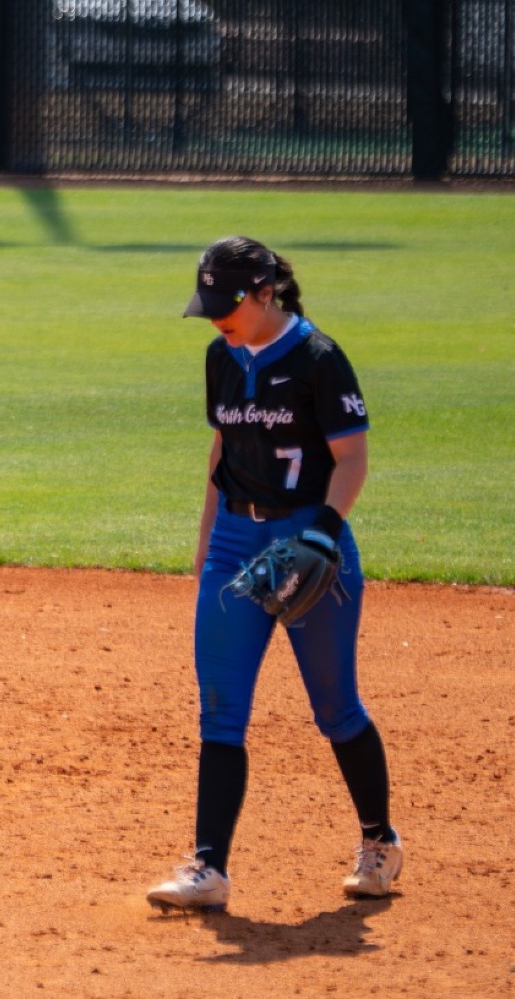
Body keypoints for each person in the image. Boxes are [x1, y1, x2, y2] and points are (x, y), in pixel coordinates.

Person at [147, 236, 403, 912]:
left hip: (308, 542)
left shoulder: (319, 359)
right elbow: (222, 446)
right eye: (207, 305)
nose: (214, 318)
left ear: (266, 293)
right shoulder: (220, 356)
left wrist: (322, 531)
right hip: (236, 540)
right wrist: (206, 537)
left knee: (334, 708)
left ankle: (379, 841)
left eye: (225, 304)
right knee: (222, 710)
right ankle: (209, 868)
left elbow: (351, 459)